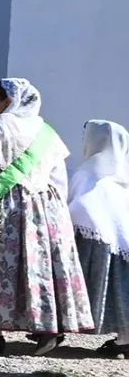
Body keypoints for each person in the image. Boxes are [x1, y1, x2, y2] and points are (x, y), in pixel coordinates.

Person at [0, 78, 94, 356]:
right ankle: (48, 329)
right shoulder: (47, 131)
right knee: (42, 266)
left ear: (8, 101)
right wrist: (59, 214)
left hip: (9, 205)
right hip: (47, 206)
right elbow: (59, 176)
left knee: (0, 264)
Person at [69, 119, 129, 357]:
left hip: (91, 246)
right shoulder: (121, 178)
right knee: (121, 294)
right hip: (118, 245)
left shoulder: (88, 172)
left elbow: (76, 205)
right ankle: (124, 340)